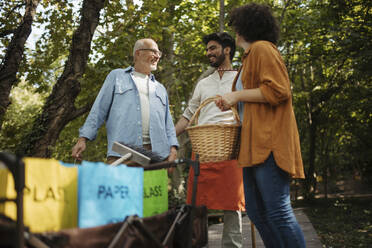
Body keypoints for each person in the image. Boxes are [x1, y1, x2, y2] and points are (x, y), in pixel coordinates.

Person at [215, 3, 306, 248]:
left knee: (277, 211)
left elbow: (279, 91)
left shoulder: (263, 49)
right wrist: (231, 102)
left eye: (237, 26)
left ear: (246, 27)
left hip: (270, 143)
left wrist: (236, 96)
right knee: (256, 212)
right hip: (252, 146)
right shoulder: (248, 58)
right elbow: (254, 101)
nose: (235, 32)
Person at [175, 32, 245, 248]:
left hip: (231, 148)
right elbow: (188, 115)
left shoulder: (241, 78)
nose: (208, 53)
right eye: (207, 50)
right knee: (197, 202)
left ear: (227, 50)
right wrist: (169, 138)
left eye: (212, 48)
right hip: (204, 149)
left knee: (232, 204)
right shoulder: (204, 83)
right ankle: (198, 244)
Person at [72, 38, 178, 165]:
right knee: (120, 186)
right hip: (123, 154)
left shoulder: (160, 88)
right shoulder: (117, 76)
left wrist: (173, 148)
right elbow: (99, 109)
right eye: (154, 52)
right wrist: (83, 139)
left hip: (157, 157)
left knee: (154, 186)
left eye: (159, 53)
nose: (157, 56)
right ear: (138, 53)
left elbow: (168, 124)